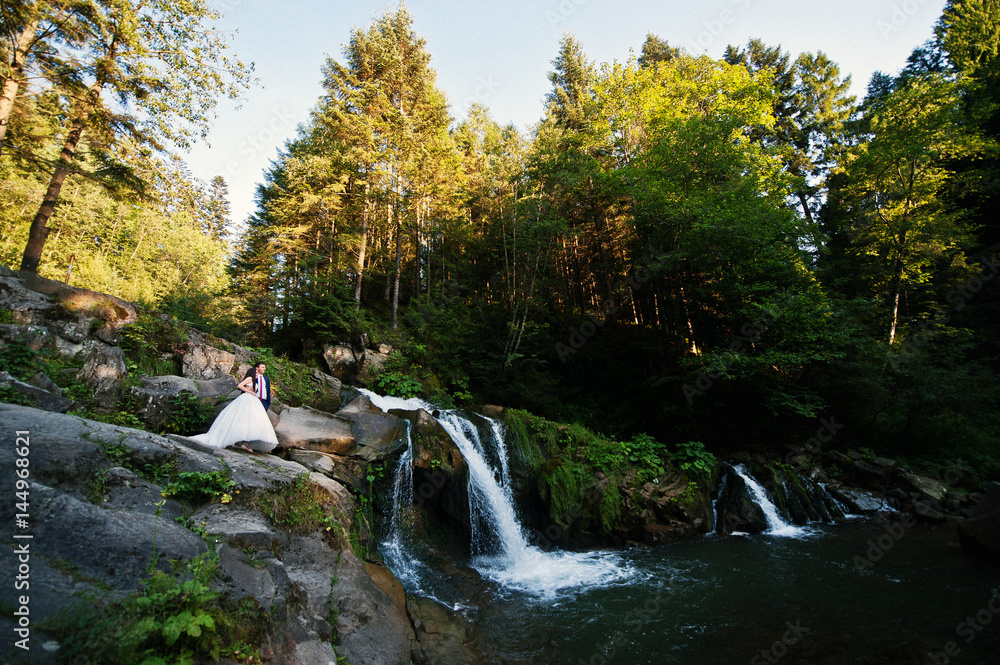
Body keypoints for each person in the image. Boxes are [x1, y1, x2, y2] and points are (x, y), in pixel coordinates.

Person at [189, 363, 278, 453]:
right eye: (256, 372)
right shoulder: (250, 378)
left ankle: (240, 441)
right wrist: (249, 392)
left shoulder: (259, 379)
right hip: (247, 399)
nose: (257, 374)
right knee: (243, 419)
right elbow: (239, 386)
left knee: (250, 421)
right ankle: (243, 442)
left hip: (254, 401)